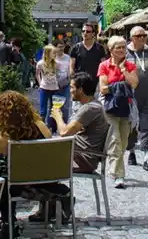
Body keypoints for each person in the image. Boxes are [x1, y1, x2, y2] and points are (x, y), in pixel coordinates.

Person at [0, 91, 52, 230]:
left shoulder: (3, 140)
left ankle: (5, 219)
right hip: (45, 180)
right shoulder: (41, 126)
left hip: (19, 185)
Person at [36, 71, 110, 223]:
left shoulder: (90, 108)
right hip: (79, 154)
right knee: (42, 160)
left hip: (83, 158)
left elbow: (64, 132)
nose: (70, 91)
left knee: (39, 165)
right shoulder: (91, 106)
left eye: (72, 87)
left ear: (81, 89)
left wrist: (57, 116)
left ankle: (62, 197)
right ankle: (50, 206)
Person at [97, 36, 138, 189]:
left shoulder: (130, 65)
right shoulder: (104, 65)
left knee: (124, 142)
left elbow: (134, 83)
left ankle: (113, 169)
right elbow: (103, 88)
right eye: (118, 47)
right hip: (110, 107)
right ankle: (118, 175)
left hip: (126, 108)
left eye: (123, 47)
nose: (121, 50)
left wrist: (122, 70)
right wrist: (121, 86)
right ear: (111, 49)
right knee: (115, 141)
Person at [125, 26, 148, 172]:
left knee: (147, 126)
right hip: (130, 96)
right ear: (132, 37)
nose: (142, 38)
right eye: (139, 36)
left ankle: (147, 157)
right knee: (131, 126)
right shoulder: (125, 53)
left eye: (144, 35)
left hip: (147, 95)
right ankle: (131, 151)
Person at [35, 45, 60, 125]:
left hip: (55, 88)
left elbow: (58, 74)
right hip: (44, 88)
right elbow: (37, 74)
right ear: (47, 53)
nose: (55, 54)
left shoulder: (56, 63)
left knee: (54, 109)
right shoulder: (40, 63)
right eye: (53, 53)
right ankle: (42, 128)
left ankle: (53, 127)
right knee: (43, 110)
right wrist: (40, 83)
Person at [54, 39, 73, 127]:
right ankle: (54, 126)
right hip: (55, 85)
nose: (61, 48)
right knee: (56, 106)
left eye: (63, 47)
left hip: (66, 84)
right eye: (59, 47)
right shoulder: (52, 58)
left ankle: (64, 125)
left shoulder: (68, 57)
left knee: (65, 106)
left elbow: (70, 69)